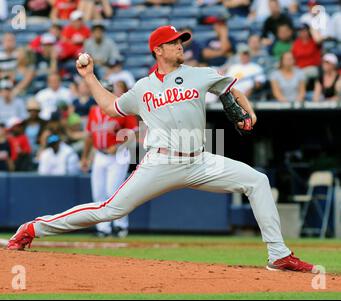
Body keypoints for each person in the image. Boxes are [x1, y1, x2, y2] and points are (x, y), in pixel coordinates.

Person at [7, 25, 316, 273]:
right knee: (111, 209)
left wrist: (251, 115)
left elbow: (232, 88)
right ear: (158, 49)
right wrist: (89, 78)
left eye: (180, 40)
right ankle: (33, 228)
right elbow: (110, 107)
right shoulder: (142, 88)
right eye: (173, 42)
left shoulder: (199, 73)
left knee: (257, 181)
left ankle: (278, 255)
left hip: (200, 161)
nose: (180, 45)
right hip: (160, 162)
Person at [81, 81, 138, 238]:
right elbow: (89, 136)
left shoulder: (121, 109)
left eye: (108, 90)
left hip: (118, 155)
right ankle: (103, 228)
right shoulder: (93, 111)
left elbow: (133, 133)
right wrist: (85, 157)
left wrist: (119, 145)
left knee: (113, 191)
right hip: (99, 154)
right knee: (98, 193)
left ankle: (120, 226)